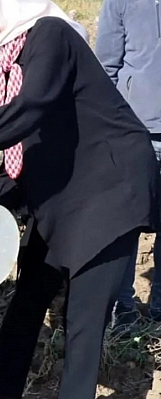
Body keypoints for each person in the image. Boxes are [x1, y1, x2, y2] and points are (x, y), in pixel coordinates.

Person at [0, 1, 159, 398]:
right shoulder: (10, 68)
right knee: (28, 298)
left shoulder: (51, 36)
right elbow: (31, 147)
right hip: (65, 191)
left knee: (83, 320)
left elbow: (30, 110)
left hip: (111, 190)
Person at [95, 0, 161, 332]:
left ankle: (160, 307)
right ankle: (122, 307)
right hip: (135, 133)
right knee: (127, 224)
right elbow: (105, 65)